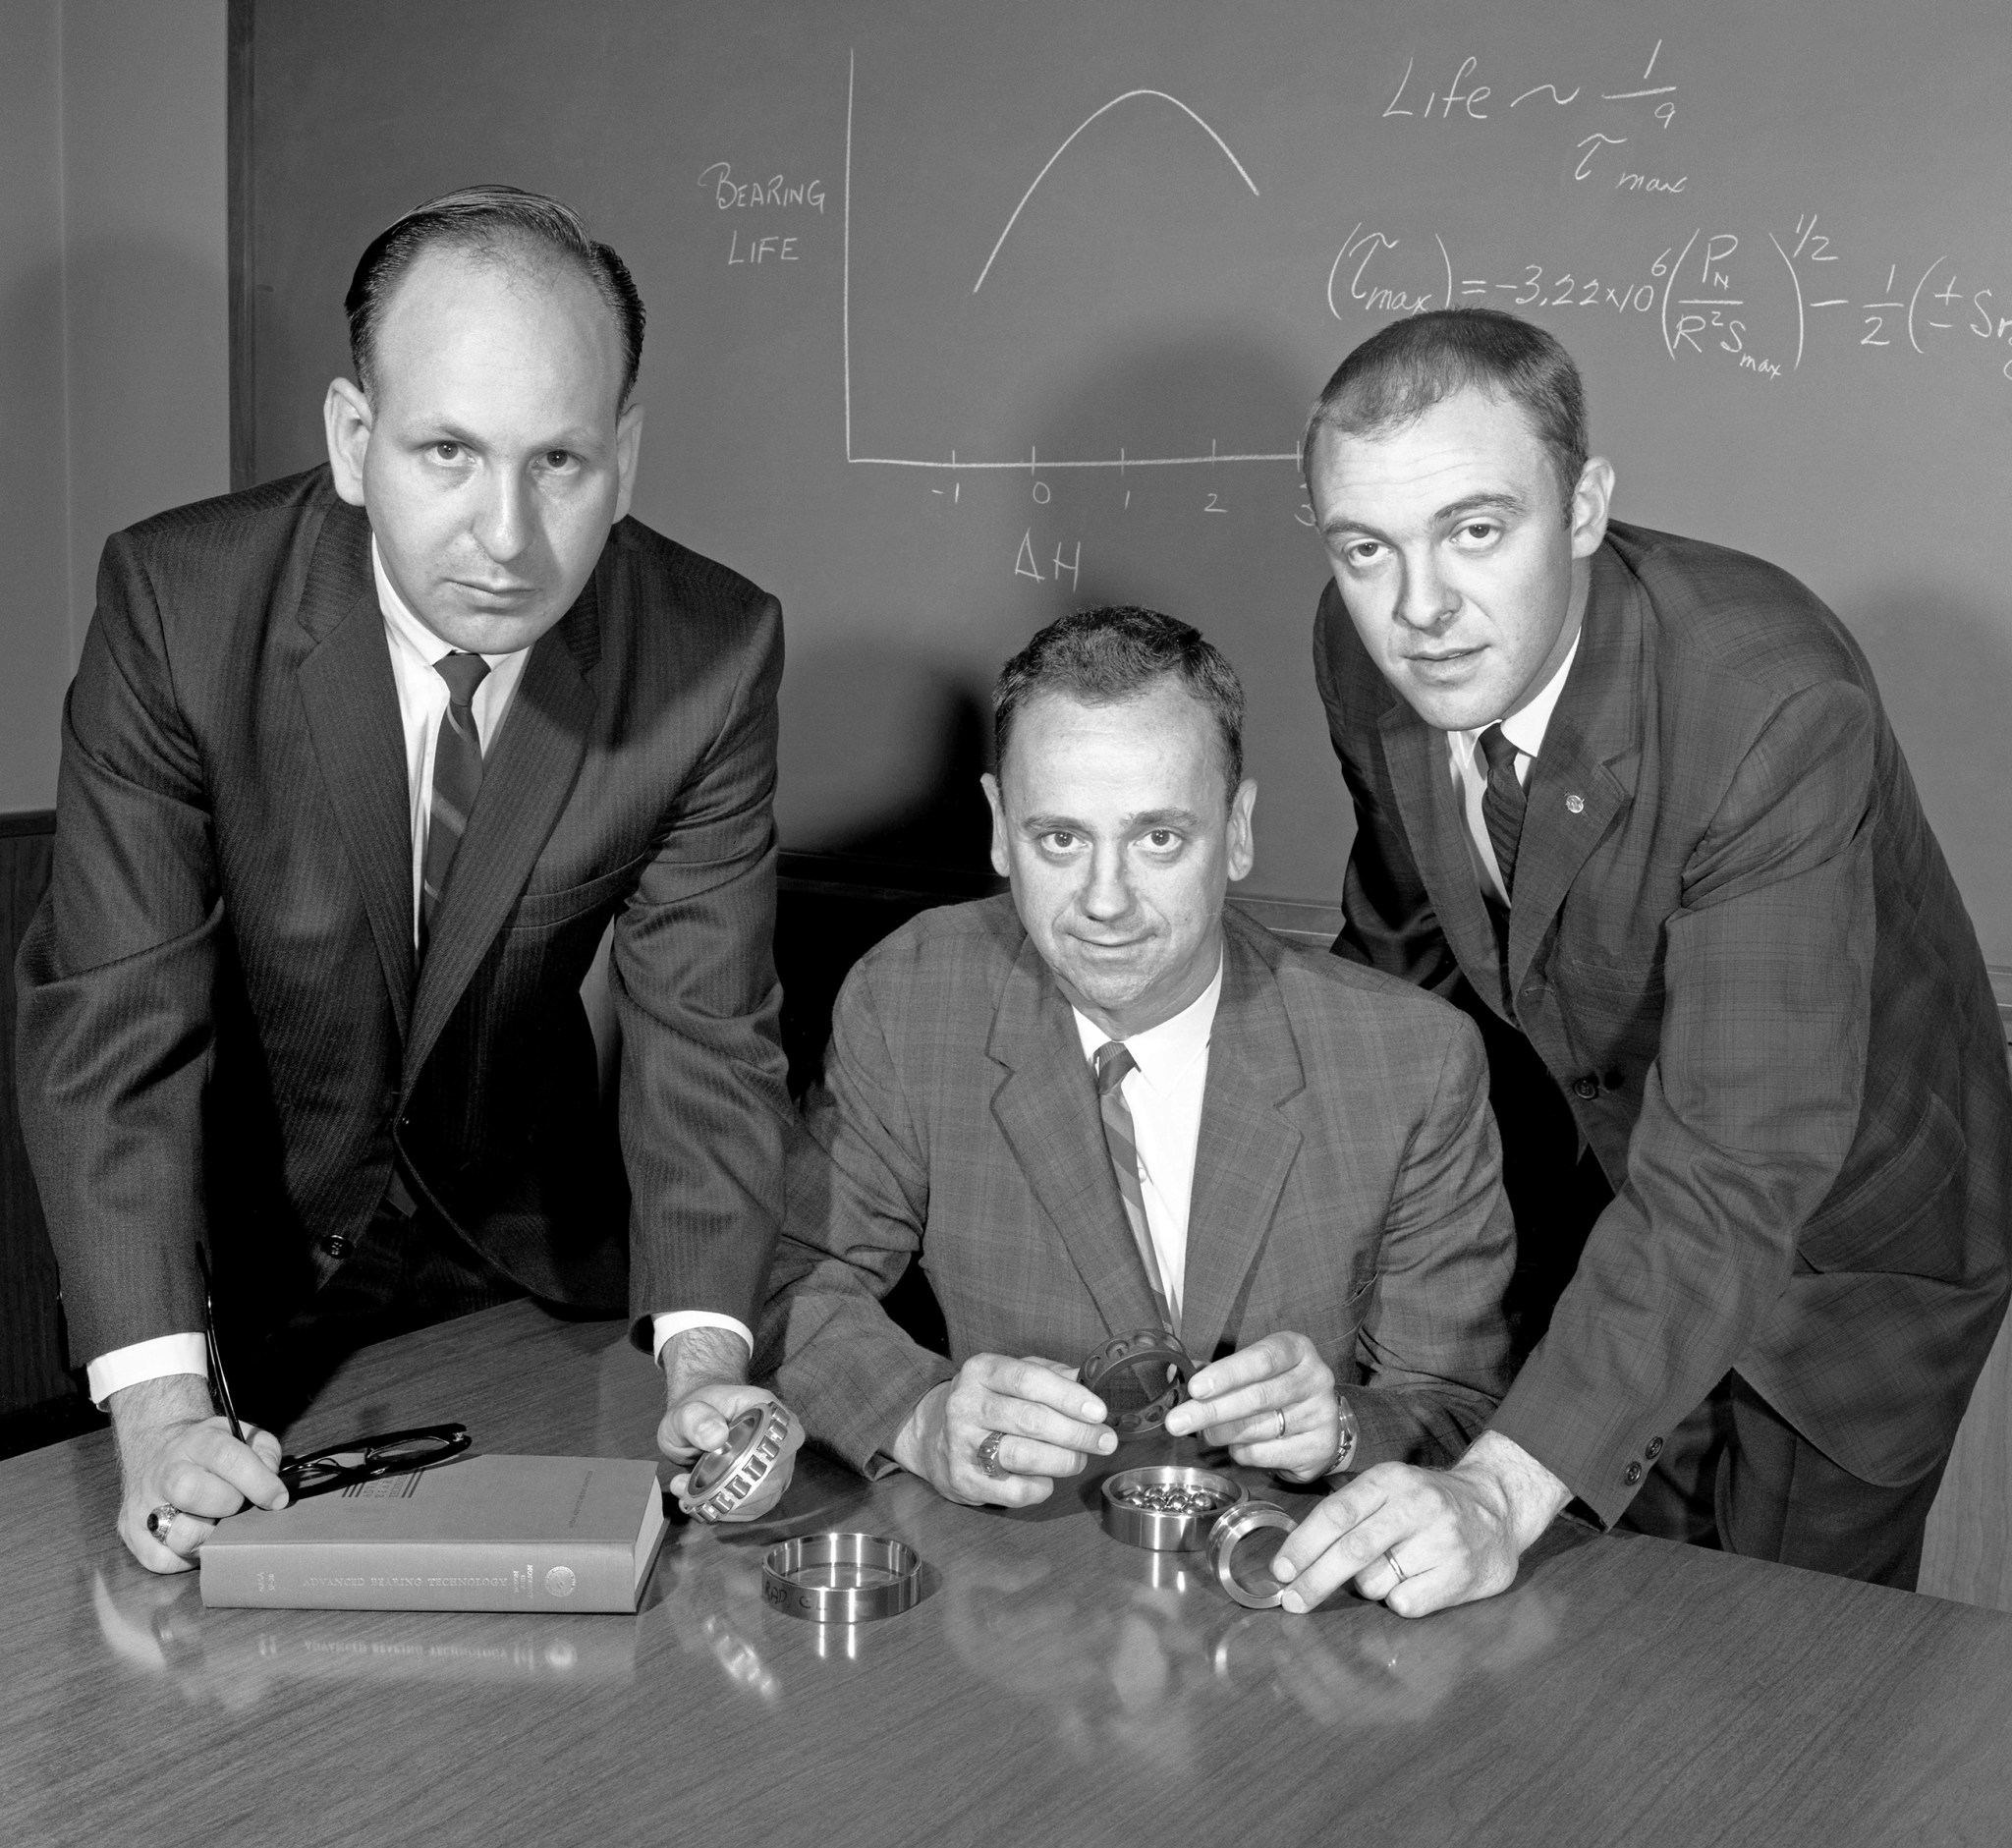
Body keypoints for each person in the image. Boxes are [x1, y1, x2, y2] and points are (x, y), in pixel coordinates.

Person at [17, 187, 802, 1571]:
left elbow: (705, 1038)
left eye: (560, 463)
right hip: (229, 1270)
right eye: (448, 450)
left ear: (623, 455)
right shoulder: (177, 607)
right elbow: (113, 1026)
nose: (507, 535)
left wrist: (702, 1364)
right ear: (354, 440)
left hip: (522, 1264)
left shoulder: (711, 651)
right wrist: (157, 1409)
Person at [1278, 306, 2012, 1615]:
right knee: (1588, 1648)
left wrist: (1500, 1490)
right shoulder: (1360, 650)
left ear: (1583, 507)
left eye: (1475, 529)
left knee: (1775, 1680)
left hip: (1846, 1262)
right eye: (1365, 548)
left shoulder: (1769, 704)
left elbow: (1739, 1159)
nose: (1420, 608)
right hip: (1606, 1204)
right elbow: (1404, 958)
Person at [756, 607, 1514, 1519]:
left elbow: (1465, 1408)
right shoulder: (911, 998)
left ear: (1237, 830)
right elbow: (796, 1284)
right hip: (1018, 1586)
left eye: (1158, 838)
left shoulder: (1411, 1062)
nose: (1104, 901)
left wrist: (1345, 1428)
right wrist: (920, 1418)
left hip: (1291, 1586)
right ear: (1000, 829)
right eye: (1060, 839)